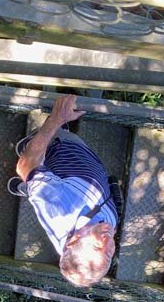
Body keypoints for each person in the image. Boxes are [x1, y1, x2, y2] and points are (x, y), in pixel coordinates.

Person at [14, 94, 119, 287]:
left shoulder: (59, 211)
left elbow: (24, 166)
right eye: (108, 253)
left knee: (30, 170)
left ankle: (31, 161)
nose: (108, 242)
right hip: (84, 163)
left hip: (63, 151)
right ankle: (27, 185)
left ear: (72, 241)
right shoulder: (104, 230)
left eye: (97, 247)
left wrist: (57, 119)